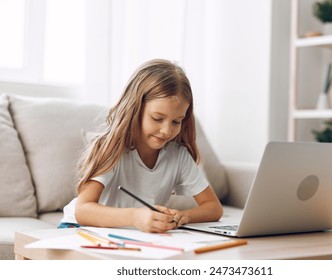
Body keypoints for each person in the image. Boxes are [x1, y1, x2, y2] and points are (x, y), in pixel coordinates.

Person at [58, 59, 223, 233]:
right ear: (134, 110)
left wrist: (185, 216)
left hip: (131, 233)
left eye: (176, 121)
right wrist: (135, 217)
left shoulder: (178, 155)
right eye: (157, 118)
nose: (167, 131)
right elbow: (83, 210)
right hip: (80, 227)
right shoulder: (112, 148)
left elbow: (214, 207)